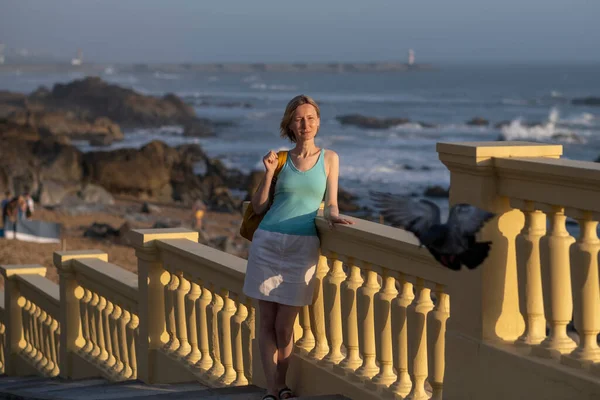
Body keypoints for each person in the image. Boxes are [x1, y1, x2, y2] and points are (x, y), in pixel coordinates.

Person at [242, 95, 354, 400]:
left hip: (302, 246)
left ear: (318, 121)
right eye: (299, 119)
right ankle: (273, 389)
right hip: (267, 241)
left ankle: (281, 381)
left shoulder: (330, 158)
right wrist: (267, 173)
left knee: (284, 326)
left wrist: (334, 217)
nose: (305, 124)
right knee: (266, 322)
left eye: (311, 118)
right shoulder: (279, 160)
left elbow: (331, 202)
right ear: (290, 124)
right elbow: (260, 205)